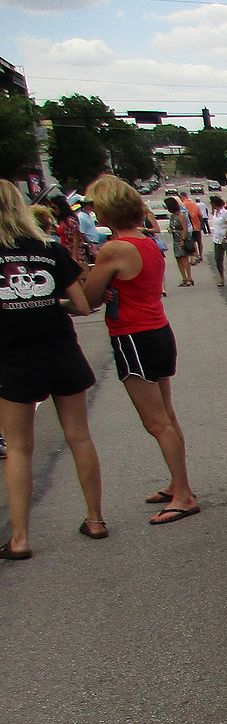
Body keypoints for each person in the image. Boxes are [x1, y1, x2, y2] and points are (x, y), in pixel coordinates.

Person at [82, 174, 200, 527]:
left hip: (133, 336)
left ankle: (184, 495)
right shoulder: (149, 242)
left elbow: (88, 298)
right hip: (158, 331)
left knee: (155, 421)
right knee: (167, 414)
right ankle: (178, 483)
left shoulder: (115, 248)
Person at [0, 179, 105, 559]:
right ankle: (95, 519)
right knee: (79, 436)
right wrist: (46, 304)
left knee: (18, 448)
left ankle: (21, 538)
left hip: (13, 358)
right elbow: (81, 305)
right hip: (60, 351)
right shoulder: (50, 249)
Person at [207, 193, 227, 286]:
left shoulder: (225, 213)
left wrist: (225, 237)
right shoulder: (215, 213)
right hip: (217, 239)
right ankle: (222, 278)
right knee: (218, 259)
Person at [164, 196, 194, 286]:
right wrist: (170, 229)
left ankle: (189, 277)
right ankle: (183, 278)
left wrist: (183, 240)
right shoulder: (172, 216)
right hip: (175, 239)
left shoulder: (181, 215)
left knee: (184, 258)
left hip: (182, 238)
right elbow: (172, 226)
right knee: (178, 259)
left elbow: (185, 228)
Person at [52, 196, 86, 267]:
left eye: (54, 208)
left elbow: (76, 239)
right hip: (65, 251)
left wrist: (74, 256)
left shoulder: (70, 220)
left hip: (73, 251)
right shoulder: (61, 221)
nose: (53, 211)